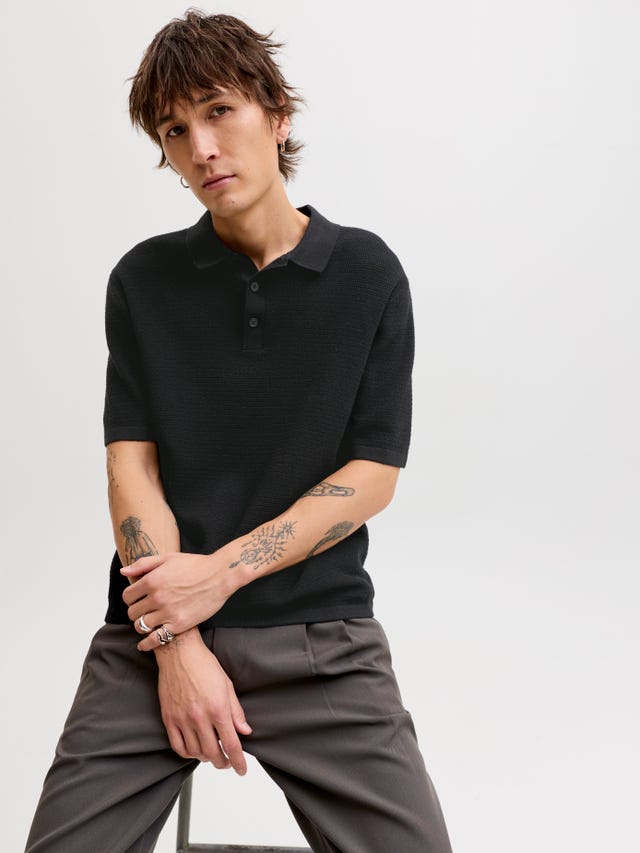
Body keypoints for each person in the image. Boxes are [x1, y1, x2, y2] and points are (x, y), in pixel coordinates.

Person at [25, 10, 453, 853]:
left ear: (277, 115)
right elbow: (130, 471)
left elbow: (372, 474)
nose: (202, 149)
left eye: (219, 111)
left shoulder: (367, 273)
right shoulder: (143, 280)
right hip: (151, 636)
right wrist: (177, 642)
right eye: (175, 130)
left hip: (320, 636)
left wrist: (218, 577)